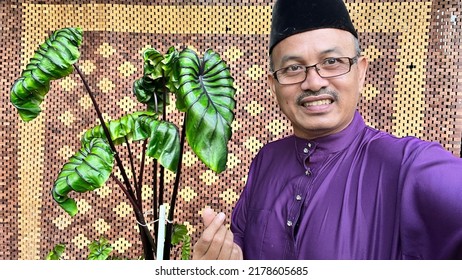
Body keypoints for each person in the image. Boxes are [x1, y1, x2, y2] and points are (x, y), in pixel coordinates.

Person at [193, 0, 462, 260]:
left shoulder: (407, 165)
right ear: (273, 85)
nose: (313, 82)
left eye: (332, 62)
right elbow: (241, 248)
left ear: (361, 72)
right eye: (293, 68)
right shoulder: (266, 160)